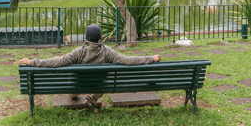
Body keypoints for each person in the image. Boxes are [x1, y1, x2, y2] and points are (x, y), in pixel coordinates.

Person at [18, 24, 161, 109]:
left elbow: (57, 61)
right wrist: (151, 58)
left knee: (75, 79)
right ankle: (92, 99)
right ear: (100, 38)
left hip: (77, 84)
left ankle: (74, 93)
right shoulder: (108, 52)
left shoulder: (78, 52)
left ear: (86, 39)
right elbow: (128, 60)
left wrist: (33, 62)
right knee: (103, 81)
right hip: (99, 86)